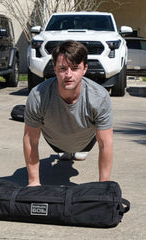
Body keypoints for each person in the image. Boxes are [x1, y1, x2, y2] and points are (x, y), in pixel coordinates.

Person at [23, 40, 113, 186]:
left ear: (85, 69)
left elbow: (105, 144)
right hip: (55, 142)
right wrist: (33, 182)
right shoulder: (38, 95)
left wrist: (104, 185)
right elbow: (30, 140)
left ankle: (73, 152)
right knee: (64, 155)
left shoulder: (99, 97)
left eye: (75, 68)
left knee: (79, 156)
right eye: (63, 68)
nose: (68, 74)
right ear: (55, 69)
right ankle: (65, 152)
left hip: (86, 143)